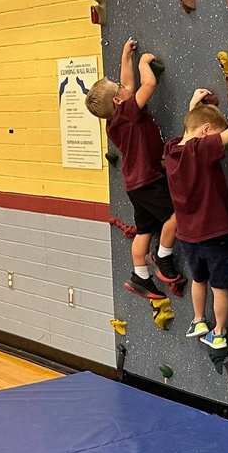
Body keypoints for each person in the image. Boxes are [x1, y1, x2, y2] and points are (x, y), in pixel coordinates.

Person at [84, 38, 184, 300]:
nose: (124, 85)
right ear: (119, 100)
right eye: (118, 87)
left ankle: (140, 275)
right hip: (148, 179)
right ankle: (163, 258)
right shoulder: (129, 110)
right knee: (176, 214)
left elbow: (127, 85)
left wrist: (125, 56)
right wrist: (142, 63)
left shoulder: (115, 119)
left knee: (144, 228)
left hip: (134, 183)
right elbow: (148, 84)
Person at [165, 76, 228, 351]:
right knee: (220, 286)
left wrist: (192, 106)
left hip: (187, 235)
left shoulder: (172, 151)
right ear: (207, 131)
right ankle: (219, 331)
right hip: (214, 232)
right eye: (215, 135)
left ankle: (198, 319)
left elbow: (190, 129)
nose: (218, 143)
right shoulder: (201, 149)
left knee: (199, 278)